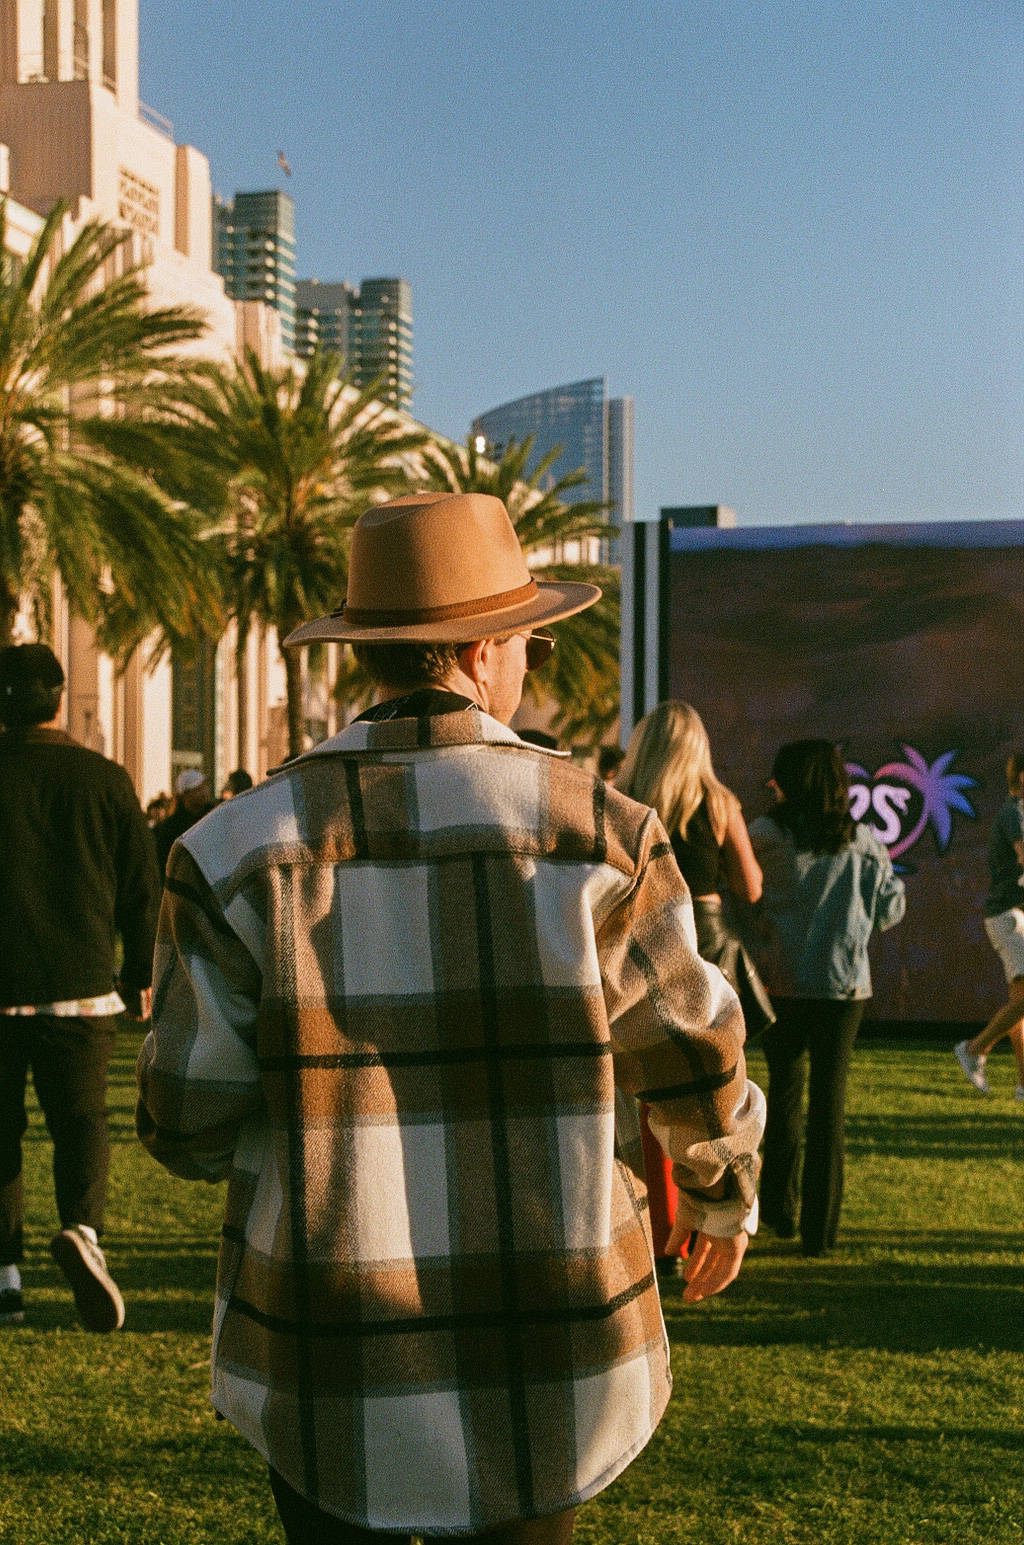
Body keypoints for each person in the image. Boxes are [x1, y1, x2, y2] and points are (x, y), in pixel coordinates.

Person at [137, 491, 765, 1545]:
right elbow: (692, 1055)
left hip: (323, 1345)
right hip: (554, 1341)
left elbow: (185, 1115)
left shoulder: (233, 848)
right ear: (484, 652)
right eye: (526, 641)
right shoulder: (604, 836)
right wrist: (719, 1195)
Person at [0, 644, 160, 1331]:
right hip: (83, 986)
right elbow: (142, 889)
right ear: (61, 699)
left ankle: (5, 1274)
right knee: (82, 1120)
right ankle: (82, 1232)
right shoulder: (105, 778)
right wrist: (141, 975)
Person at [615, 702, 774, 1272]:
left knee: (646, 1089)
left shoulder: (622, 798)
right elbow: (750, 887)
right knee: (717, 1081)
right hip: (705, 937)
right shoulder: (720, 804)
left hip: (640, 936)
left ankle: (657, 1223)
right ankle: (718, 1214)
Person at [748, 739, 905, 1257]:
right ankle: (820, 1231)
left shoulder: (767, 835)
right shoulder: (864, 840)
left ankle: (778, 1211)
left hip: (781, 984)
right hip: (844, 987)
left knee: (784, 1094)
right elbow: (889, 911)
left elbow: (742, 890)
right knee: (829, 1105)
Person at [954, 754, 1024, 1100]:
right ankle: (975, 1049)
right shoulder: (1015, 813)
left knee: (1020, 1002)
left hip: (1016, 913)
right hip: (1007, 915)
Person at [152, 767, 216, 876]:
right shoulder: (172, 826)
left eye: (204, 787)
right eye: (197, 789)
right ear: (185, 794)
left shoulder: (214, 817)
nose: (203, 792)